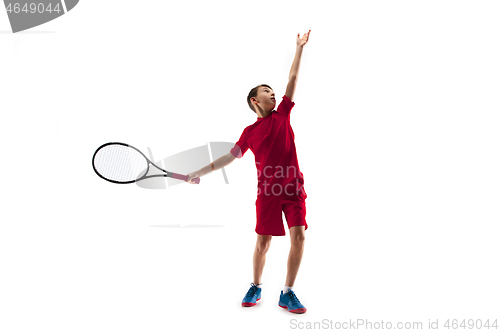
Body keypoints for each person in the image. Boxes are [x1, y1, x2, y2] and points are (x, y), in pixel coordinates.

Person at [187, 30, 311, 314]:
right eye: (266, 92)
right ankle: (256, 286)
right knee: (263, 243)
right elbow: (228, 158)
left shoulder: (283, 114)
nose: (273, 93)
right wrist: (199, 171)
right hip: (268, 192)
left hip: (293, 188)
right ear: (255, 101)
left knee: (300, 237)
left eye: (272, 91)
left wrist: (299, 48)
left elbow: (292, 79)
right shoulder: (250, 132)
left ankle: (287, 292)